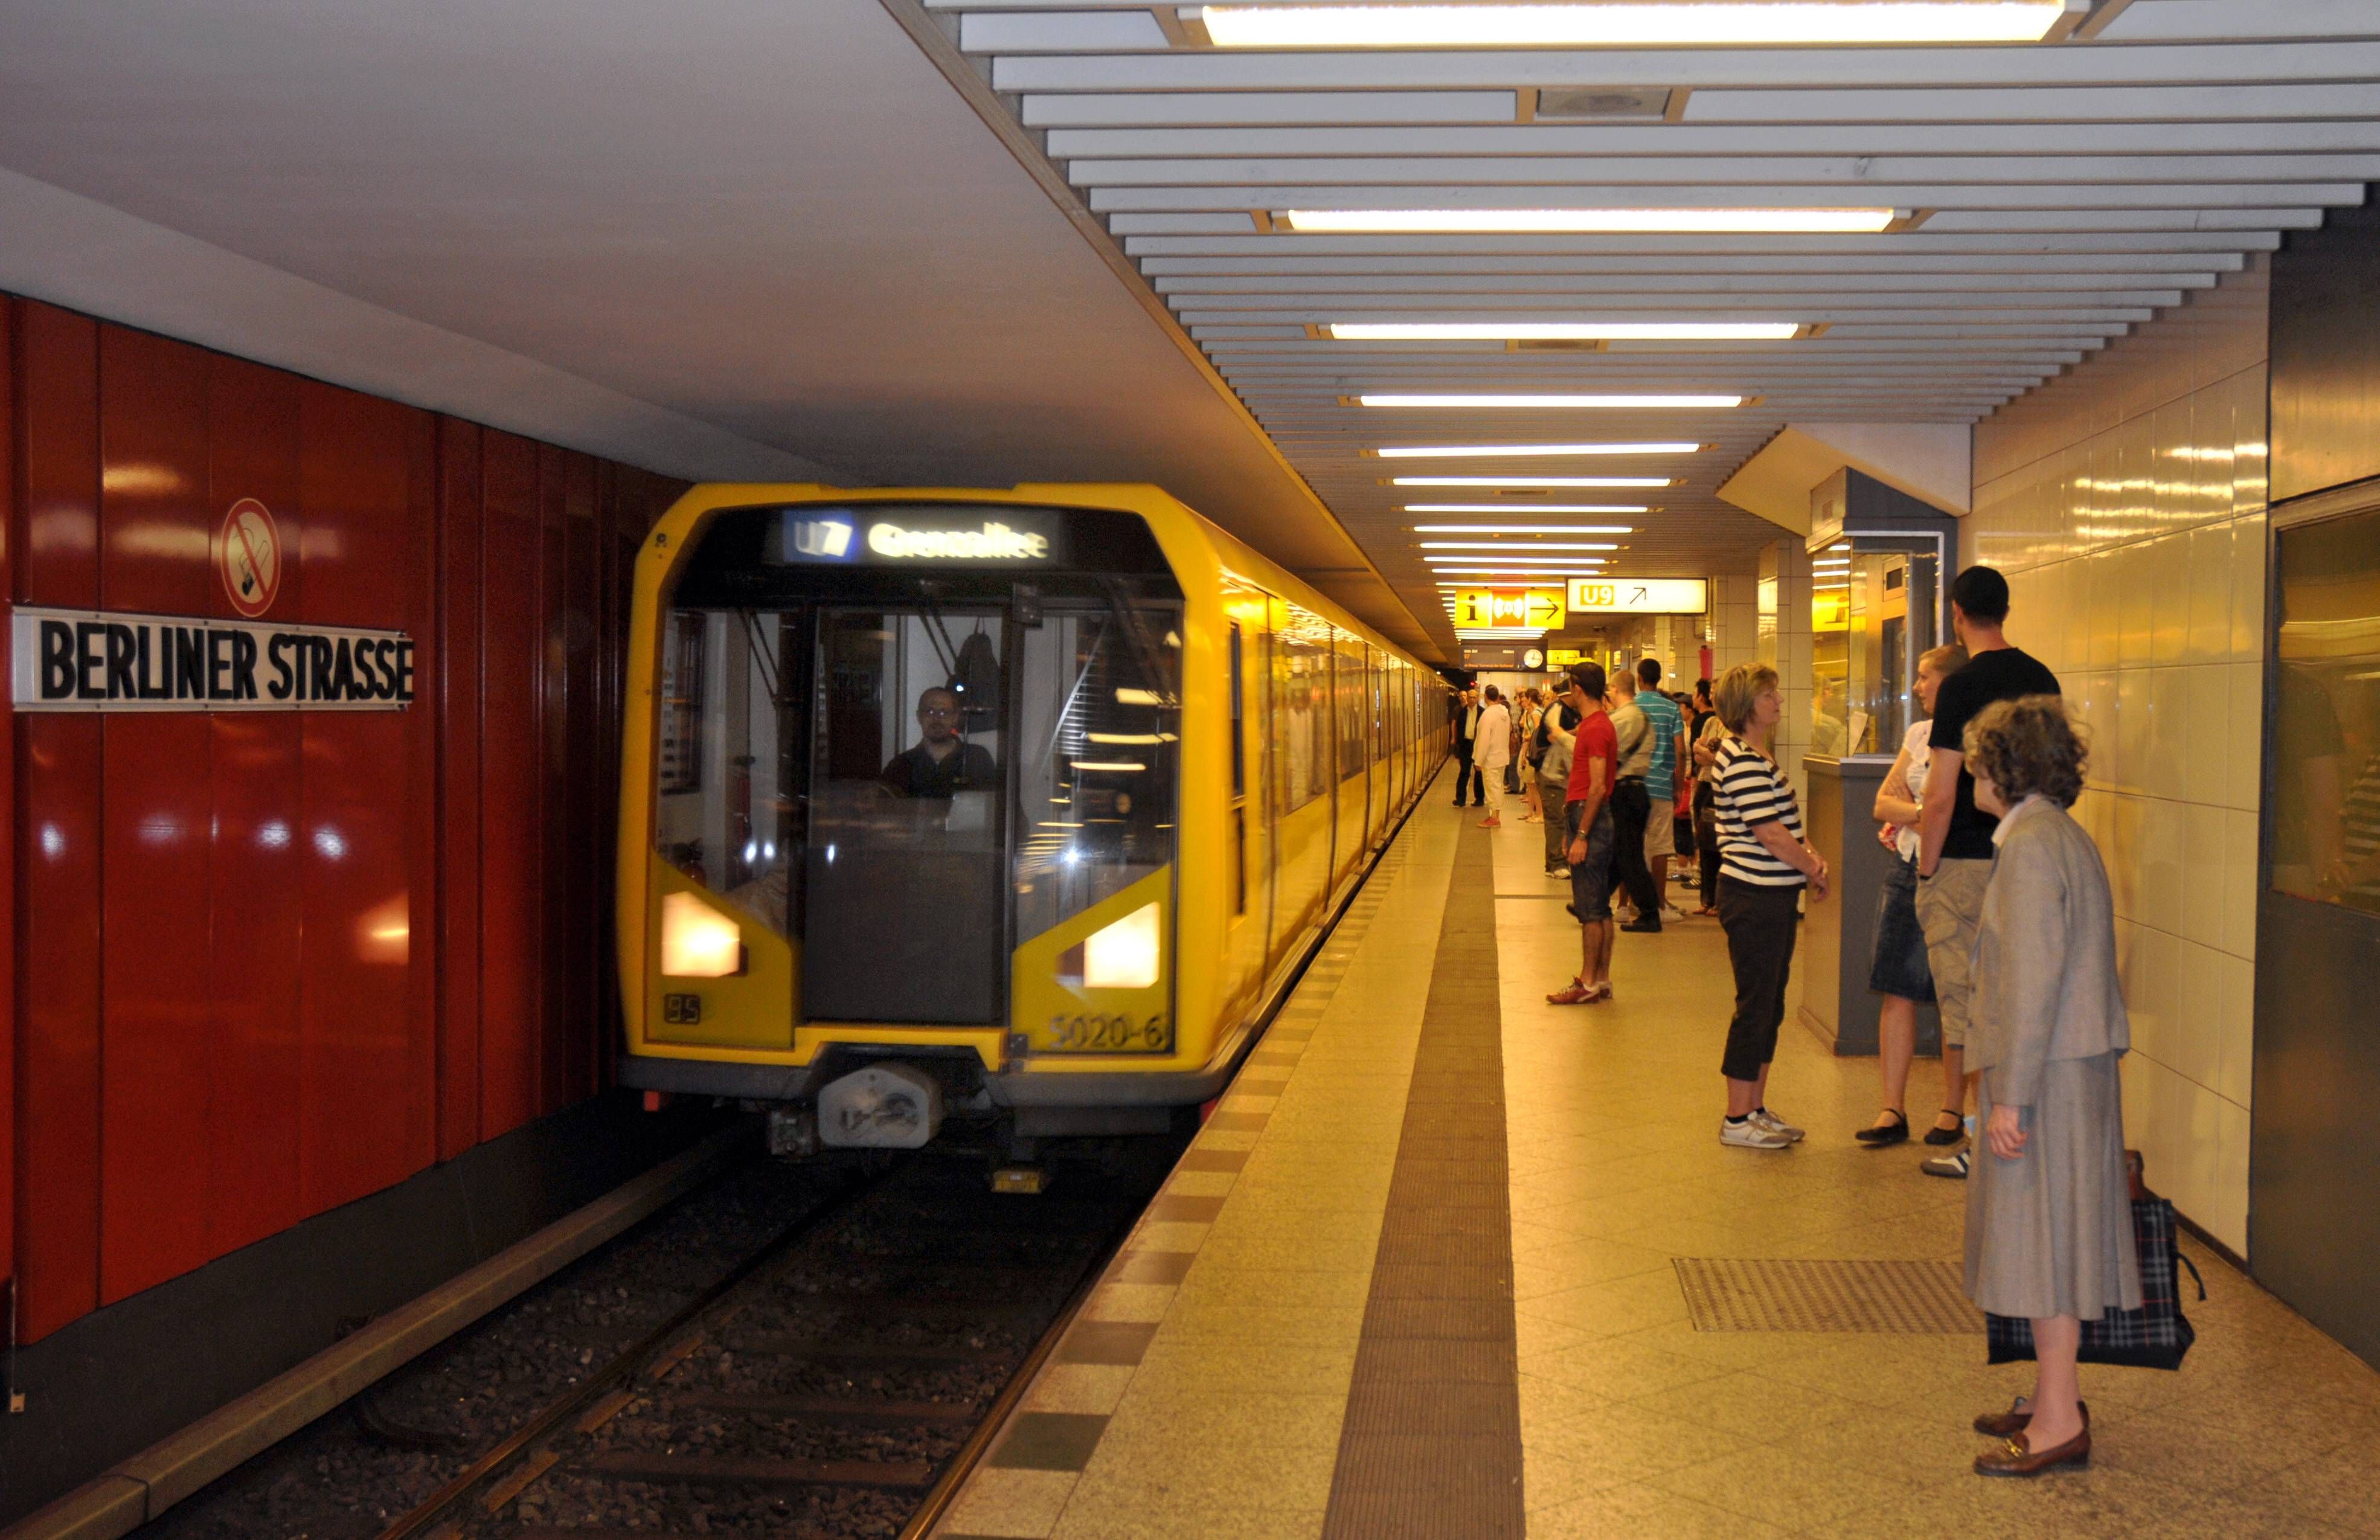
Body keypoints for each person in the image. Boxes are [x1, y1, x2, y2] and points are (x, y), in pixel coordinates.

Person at [1960, 696, 2140, 1478]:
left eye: (1978, 758)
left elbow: (2031, 981)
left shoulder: (2030, 847)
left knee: (2046, 1242)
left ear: (2004, 768)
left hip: (2049, 1075)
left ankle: (2059, 1418)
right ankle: (2047, 1394)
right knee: (2054, 1235)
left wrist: (2012, 1097)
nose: (1970, 770)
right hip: (2074, 1064)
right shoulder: (2058, 835)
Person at [1916, 566, 2061, 1179]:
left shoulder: (1960, 687)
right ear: (2004, 609)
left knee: (1971, 1008)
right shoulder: (2041, 678)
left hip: (1964, 863)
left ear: (1955, 613)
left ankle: (1980, 1140)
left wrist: (1925, 866)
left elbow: (1943, 791)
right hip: (2028, 855)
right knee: (2018, 996)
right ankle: (2015, 1128)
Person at [1709, 663, 1827, 1149]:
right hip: (1753, 896)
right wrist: (1812, 867)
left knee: (1769, 1004)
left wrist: (1808, 857)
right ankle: (1737, 1118)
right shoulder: (1740, 760)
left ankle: (1755, 1107)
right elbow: (1771, 835)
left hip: (1771, 894)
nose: (1778, 701)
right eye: (1768, 695)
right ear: (1746, 706)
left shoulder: (1754, 755)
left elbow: (1784, 829)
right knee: (1755, 1005)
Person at [1857, 643, 1969, 1146]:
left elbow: (1953, 809)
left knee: (1956, 994)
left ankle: (1950, 1109)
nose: (1917, 686)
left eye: (1926, 677)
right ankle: (1891, 1108)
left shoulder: (1975, 736)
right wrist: (1925, 814)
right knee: (1896, 987)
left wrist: (1919, 809)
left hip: (1954, 872)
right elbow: (1884, 801)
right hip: (1906, 869)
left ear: (1951, 681)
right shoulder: (1919, 734)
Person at [1548, 663, 1619, 1006]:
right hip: (1587, 817)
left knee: (1589, 909)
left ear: (1578, 689)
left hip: (1590, 817)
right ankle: (1602, 979)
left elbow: (1596, 787)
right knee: (1601, 907)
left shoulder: (1594, 729)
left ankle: (1588, 981)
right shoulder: (1599, 725)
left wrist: (1582, 834)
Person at [1606, 666, 1663, 932]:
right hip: (1638, 791)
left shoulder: (1622, 719)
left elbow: (1607, 754)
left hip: (1625, 792)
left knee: (1629, 856)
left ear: (1615, 689)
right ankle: (1593, 902)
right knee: (1621, 852)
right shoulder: (1641, 717)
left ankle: (1650, 912)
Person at [1636, 658, 1688, 912]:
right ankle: (1658, 904)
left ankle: (1632, 902)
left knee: (1634, 844)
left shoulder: (1630, 706)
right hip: (1661, 785)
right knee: (1660, 847)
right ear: (1659, 679)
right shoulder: (1671, 709)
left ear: (1639, 678)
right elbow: (1680, 750)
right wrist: (1678, 786)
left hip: (1634, 785)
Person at [880, 685, 997, 797]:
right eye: (930, 712)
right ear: (919, 717)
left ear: (955, 718)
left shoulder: (977, 759)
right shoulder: (901, 766)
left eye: (944, 713)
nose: (937, 719)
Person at [1690, 680, 1727, 917]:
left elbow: (1723, 758)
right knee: (1704, 843)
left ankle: (1719, 901)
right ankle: (1706, 898)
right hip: (1704, 785)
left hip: (1720, 789)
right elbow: (1698, 754)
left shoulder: (1734, 726)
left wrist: (1707, 753)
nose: (1712, 697)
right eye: (1711, 693)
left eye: (1716, 693)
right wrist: (1708, 754)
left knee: (1718, 845)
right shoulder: (1711, 722)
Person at [1535, 686, 1580, 877]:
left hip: (1562, 773)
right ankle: (1556, 864)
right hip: (1551, 773)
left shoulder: (1571, 711)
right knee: (1555, 817)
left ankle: (1556, 862)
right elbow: (1553, 737)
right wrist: (1577, 732)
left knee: (1562, 816)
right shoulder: (1556, 709)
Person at [1474, 684, 1512, 827]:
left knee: (1492, 787)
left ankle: (1494, 818)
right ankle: (1495, 815)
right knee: (1497, 786)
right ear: (1497, 696)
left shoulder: (1488, 715)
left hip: (1490, 758)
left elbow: (1484, 739)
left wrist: (1479, 759)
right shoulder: (1504, 713)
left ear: (1485, 697)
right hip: (1502, 755)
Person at [1451, 686, 1484, 807]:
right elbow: (1458, 727)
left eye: (1474, 697)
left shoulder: (1482, 712)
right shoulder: (1462, 711)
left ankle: (1479, 799)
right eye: (1470, 697)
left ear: (1478, 699)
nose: (1471, 700)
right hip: (1465, 745)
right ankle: (1460, 799)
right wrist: (1457, 743)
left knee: (1478, 773)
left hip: (1477, 745)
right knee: (1464, 772)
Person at [1518, 688, 1547, 822]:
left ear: (1530, 699)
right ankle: (1531, 812)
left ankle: (1539, 814)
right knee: (1531, 785)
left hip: (1535, 751)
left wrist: (1527, 737)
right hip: (1533, 750)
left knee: (1533, 785)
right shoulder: (1539, 711)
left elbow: (1537, 731)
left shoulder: (1536, 713)